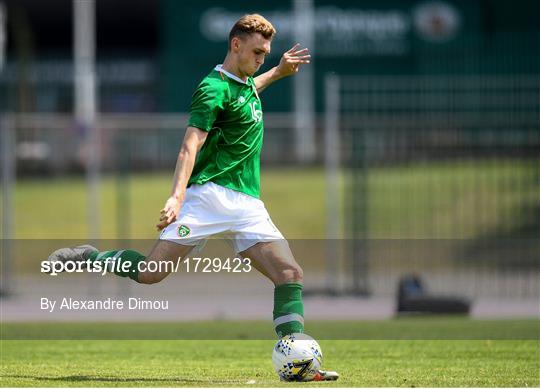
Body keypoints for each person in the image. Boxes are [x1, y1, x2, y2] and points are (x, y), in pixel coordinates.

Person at [48, 14, 338, 381]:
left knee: (290, 273)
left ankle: (297, 360)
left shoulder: (244, 84)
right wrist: (176, 197)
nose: (261, 59)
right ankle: (90, 256)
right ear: (236, 45)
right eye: (257, 52)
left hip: (247, 205)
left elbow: (246, 95)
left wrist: (278, 72)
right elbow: (189, 146)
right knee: (151, 273)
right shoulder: (212, 88)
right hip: (207, 198)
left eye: (266, 54)